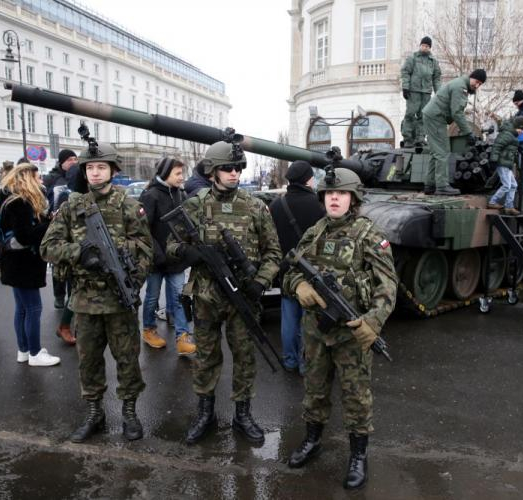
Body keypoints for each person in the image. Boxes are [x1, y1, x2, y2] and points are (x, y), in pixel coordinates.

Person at [282, 168, 397, 490]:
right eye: (330, 193)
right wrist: (298, 286)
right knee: (314, 389)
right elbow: (289, 272)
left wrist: (372, 322)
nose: (334, 198)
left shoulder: (370, 234)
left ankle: (358, 455)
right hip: (316, 331)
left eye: (341, 193)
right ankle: (312, 440)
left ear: (353, 198)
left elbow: (388, 287)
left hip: (352, 334)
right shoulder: (314, 232)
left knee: (356, 396)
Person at [166, 141, 281, 446]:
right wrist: (192, 253)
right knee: (205, 357)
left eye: (238, 168)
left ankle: (243, 414)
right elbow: (170, 245)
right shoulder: (194, 204)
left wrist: (261, 282)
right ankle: (206, 414)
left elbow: (273, 252)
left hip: (243, 296)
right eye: (227, 168)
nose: (234, 173)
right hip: (205, 297)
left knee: (244, 357)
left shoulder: (256, 206)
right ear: (213, 171)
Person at [40, 141, 152, 443]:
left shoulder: (129, 206)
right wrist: (80, 253)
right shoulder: (71, 206)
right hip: (85, 300)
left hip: (119, 299)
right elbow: (47, 247)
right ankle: (95, 413)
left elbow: (145, 251)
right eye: (90, 167)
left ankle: (129, 411)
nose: (95, 173)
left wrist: (133, 282)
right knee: (88, 361)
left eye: (101, 167)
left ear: (113, 171)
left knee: (127, 359)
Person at [0, 164, 60, 366]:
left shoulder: (11, 199)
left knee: (22, 308)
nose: (41, 181)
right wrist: (50, 223)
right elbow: (25, 236)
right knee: (33, 308)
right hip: (23, 264)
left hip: (14, 262)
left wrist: (46, 219)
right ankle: (34, 353)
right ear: (28, 179)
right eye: (38, 177)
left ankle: (24, 351)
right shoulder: (20, 202)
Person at [268, 160, 325, 374]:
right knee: (308, 319)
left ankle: (290, 360)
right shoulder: (319, 204)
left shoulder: (276, 204)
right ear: (308, 179)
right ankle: (305, 363)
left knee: (289, 318)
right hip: (312, 270)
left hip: (286, 269)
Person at [139, 157, 196, 355]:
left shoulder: (181, 194)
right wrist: (157, 253)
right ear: (165, 175)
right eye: (178, 173)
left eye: (182, 173)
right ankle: (148, 329)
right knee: (152, 298)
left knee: (180, 298)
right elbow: (143, 229)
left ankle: (182, 336)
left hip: (177, 259)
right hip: (156, 260)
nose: (182, 177)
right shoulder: (151, 195)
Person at [422, 69, 487, 196]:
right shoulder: (460, 87)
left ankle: (430, 185)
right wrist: (468, 132)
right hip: (436, 117)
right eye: (477, 82)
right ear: (471, 77)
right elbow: (456, 112)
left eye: (480, 84)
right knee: (443, 151)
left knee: (436, 152)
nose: (477, 85)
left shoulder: (460, 84)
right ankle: (442, 186)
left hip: (434, 116)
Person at [43, 149, 78, 310]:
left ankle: (72, 296)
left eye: (75, 159)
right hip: (56, 226)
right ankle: (59, 295)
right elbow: (43, 201)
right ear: (61, 162)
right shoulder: (51, 179)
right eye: (70, 159)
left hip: (76, 229)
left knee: (73, 265)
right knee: (58, 265)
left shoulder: (79, 176)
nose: (73, 162)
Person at [400, 36, 442, 147]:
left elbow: (436, 78)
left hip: (426, 92)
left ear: (430, 48)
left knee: (424, 116)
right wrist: (405, 87)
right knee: (410, 114)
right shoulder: (412, 58)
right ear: (420, 45)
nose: (425, 48)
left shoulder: (433, 61)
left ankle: (420, 138)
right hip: (413, 91)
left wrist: (439, 93)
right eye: (423, 45)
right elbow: (405, 72)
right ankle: (408, 138)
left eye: (427, 46)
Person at [487, 116, 523, 215]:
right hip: (502, 163)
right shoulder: (507, 134)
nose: (522, 132)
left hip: (507, 164)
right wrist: (493, 159)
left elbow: (509, 147)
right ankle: (492, 202)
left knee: (514, 185)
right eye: (521, 129)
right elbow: (497, 146)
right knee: (507, 185)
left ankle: (509, 206)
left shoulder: (512, 135)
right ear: (516, 126)